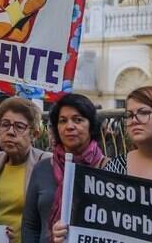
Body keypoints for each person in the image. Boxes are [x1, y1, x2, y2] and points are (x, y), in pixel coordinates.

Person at [23, 93, 107, 243]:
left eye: (78, 120)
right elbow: (30, 226)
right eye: (63, 121)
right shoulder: (42, 169)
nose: (69, 126)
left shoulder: (108, 169)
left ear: (91, 125)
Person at [0, 97, 50, 243]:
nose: (10, 132)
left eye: (19, 126)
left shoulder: (47, 164)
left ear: (34, 134)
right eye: (5, 125)